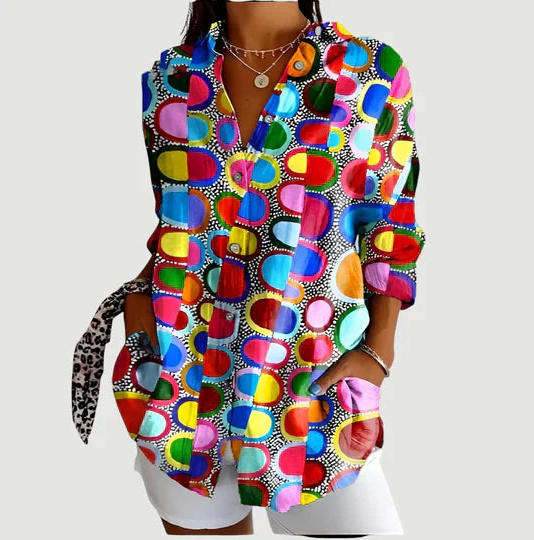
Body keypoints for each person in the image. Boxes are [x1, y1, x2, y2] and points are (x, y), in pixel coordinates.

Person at [118, 0, 425, 535]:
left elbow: (392, 227)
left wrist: (380, 351)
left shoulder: (371, 72)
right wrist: (139, 312)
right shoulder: (170, 78)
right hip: (180, 385)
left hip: (313, 388)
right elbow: (178, 223)